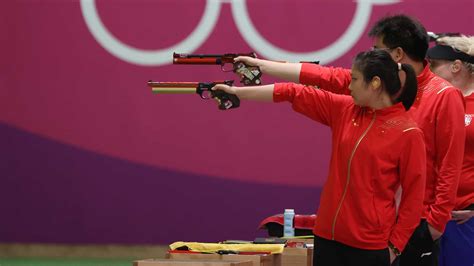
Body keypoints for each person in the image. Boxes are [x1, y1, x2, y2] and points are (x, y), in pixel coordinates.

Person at [234, 14, 466, 266]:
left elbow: (450, 164)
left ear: (397, 54)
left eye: (377, 49)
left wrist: (434, 223)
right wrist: (264, 66)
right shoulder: (371, 85)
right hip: (370, 229)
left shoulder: (443, 95)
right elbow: (322, 77)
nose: (371, 54)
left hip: (416, 224)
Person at [213, 49, 426, 266]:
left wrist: (395, 247)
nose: (349, 86)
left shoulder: (408, 133)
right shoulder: (345, 110)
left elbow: (414, 199)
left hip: (369, 248)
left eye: (354, 80)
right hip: (326, 239)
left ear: (375, 83)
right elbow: (292, 92)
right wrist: (237, 93)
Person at [427, 36, 474, 266]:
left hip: (464, 219)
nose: (429, 70)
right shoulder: (434, 100)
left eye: (434, 65)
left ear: (456, 66)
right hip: (429, 214)